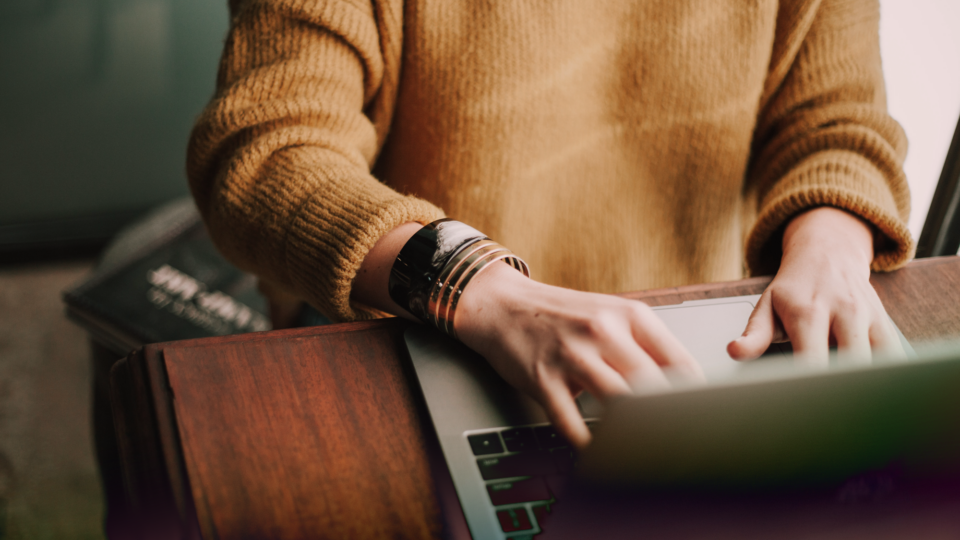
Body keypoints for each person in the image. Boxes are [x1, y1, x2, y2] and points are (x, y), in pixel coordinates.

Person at [187, 0, 913, 448]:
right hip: (418, 341)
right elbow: (265, 153)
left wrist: (832, 239)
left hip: (694, 358)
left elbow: (838, 122)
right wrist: (478, 287)